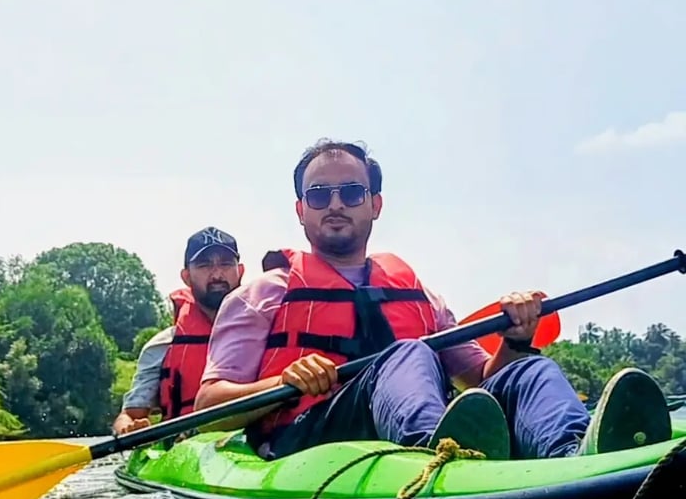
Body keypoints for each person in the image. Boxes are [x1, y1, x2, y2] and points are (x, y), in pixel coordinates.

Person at [195, 139, 671, 460]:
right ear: (301, 211)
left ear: (374, 204)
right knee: (406, 353)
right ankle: (439, 459)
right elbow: (208, 405)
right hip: (309, 440)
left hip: (416, 423)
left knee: (529, 369)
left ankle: (574, 455)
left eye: (351, 192)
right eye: (319, 195)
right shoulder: (260, 295)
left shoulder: (419, 295)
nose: (335, 204)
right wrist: (285, 380)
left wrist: (516, 338)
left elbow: (481, 379)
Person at [112, 227, 244, 435]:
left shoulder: (267, 333)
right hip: (185, 450)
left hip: (252, 447)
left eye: (226, 264)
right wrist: (128, 429)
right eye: (204, 265)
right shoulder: (162, 346)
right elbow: (129, 415)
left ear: (241, 271)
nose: (217, 274)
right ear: (186, 277)